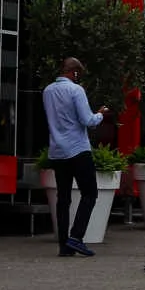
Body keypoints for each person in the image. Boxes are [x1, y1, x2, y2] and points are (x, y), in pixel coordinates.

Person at [43, 57, 109, 257]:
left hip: (57, 150)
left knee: (63, 198)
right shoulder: (76, 90)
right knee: (89, 193)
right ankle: (76, 236)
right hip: (78, 149)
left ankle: (64, 245)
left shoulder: (47, 91)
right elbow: (87, 120)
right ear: (75, 73)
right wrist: (100, 114)